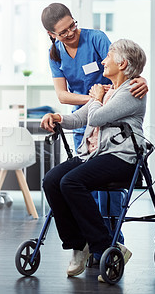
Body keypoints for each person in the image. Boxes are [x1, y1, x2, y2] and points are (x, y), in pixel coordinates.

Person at [40, 38, 147, 281]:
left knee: (71, 182)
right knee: (51, 180)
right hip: (94, 155)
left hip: (122, 160)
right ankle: (79, 244)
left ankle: (104, 246)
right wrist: (56, 117)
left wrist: (96, 97)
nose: (102, 61)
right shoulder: (108, 91)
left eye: (108, 57)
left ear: (122, 63)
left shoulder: (131, 92)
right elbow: (79, 119)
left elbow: (96, 118)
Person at [41, 2, 148, 150]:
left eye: (72, 25)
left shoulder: (96, 38)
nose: (70, 33)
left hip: (111, 118)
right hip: (82, 119)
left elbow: (120, 65)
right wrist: (96, 100)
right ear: (51, 34)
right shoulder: (55, 54)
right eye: (63, 32)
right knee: (81, 166)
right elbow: (62, 96)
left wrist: (140, 79)